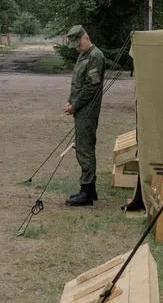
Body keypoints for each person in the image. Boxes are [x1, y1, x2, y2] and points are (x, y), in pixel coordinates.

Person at [63, 24, 105, 207]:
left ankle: (86, 192)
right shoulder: (84, 55)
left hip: (87, 110)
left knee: (84, 149)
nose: (77, 49)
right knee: (83, 146)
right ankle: (90, 190)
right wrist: (70, 101)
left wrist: (75, 105)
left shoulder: (95, 57)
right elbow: (78, 82)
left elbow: (90, 88)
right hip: (81, 108)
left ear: (84, 38)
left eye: (77, 45)